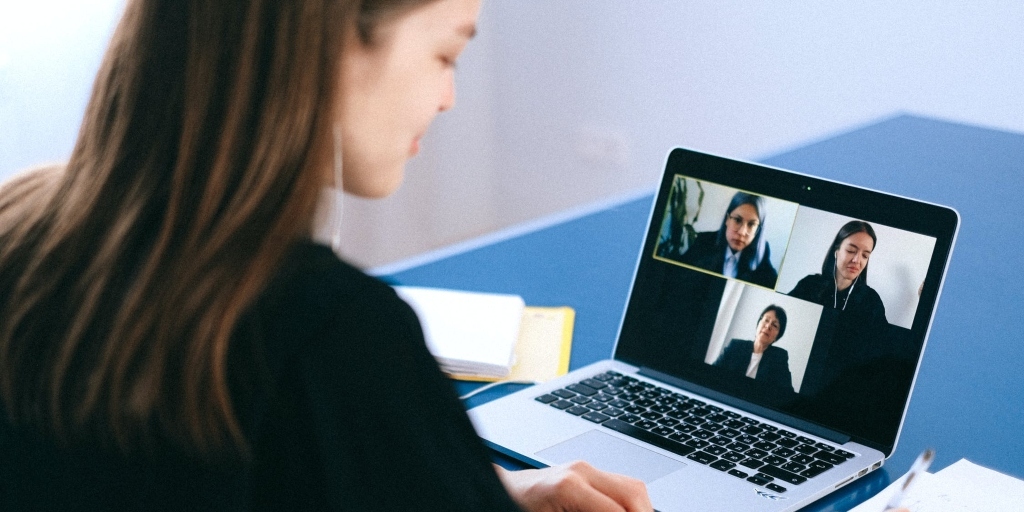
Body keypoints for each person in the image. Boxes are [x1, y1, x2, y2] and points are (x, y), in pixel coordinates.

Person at [0, 0, 652, 510]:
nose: (449, 96)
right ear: (332, 40)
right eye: (445, 54)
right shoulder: (331, 337)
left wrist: (485, 488)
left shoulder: (18, 227)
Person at [788, 220, 887, 325]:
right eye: (851, 251)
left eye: (865, 255)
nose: (857, 260)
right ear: (836, 251)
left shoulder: (871, 301)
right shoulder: (809, 285)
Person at [680, 191, 779, 288]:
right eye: (737, 220)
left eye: (751, 224)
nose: (742, 232)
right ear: (727, 219)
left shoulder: (762, 252)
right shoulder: (704, 241)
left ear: (758, 230)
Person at [713, 305, 795, 393]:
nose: (768, 326)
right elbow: (712, 373)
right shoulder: (735, 346)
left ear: (777, 336)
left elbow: (787, 393)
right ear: (758, 324)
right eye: (766, 320)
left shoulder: (779, 357)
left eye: (774, 325)